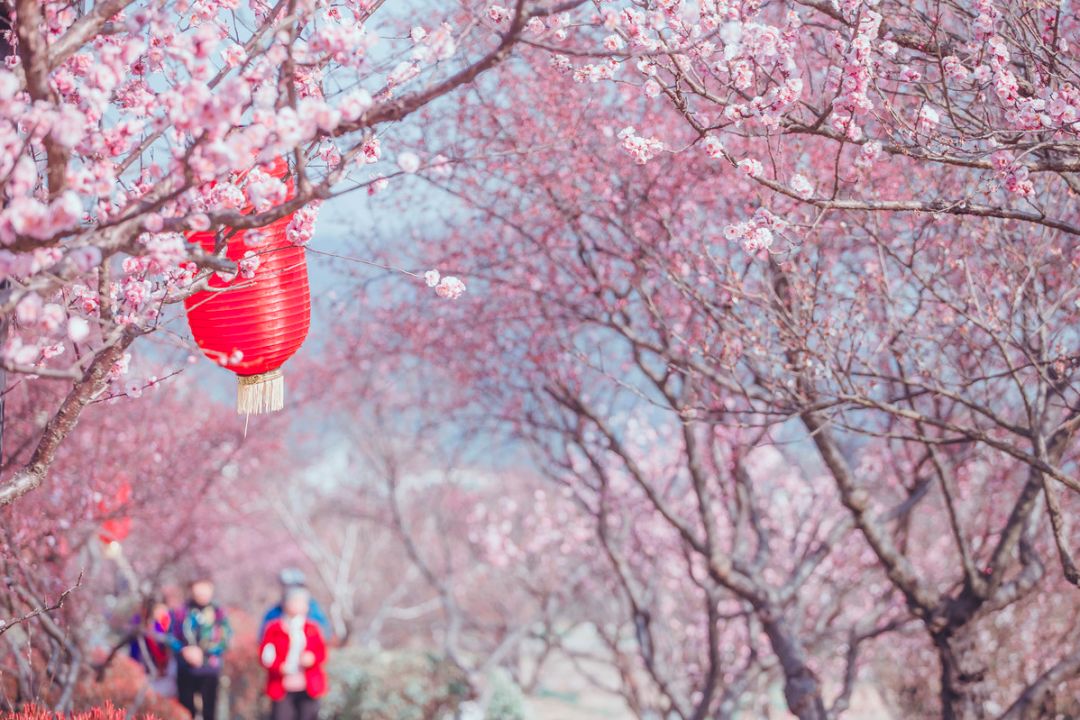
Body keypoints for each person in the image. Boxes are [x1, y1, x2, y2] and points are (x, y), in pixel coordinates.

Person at [259, 587, 327, 720]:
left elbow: (322, 653)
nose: (297, 605)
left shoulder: (312, 628)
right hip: (281, 687)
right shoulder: (274, 628)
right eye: (294, 601)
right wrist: (279, 666)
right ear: (285, 604)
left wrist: (312, 658)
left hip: (308, 687)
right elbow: (265, 656)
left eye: (301, 602)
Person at [168, 577, 232, 720]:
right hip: (186, 669)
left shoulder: (219, 613)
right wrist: (184, 651)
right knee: (185, 711)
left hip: (209, 670)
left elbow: (225, 639)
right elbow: (171, 636)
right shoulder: (181, 612)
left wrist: (203, 653)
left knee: (210, 711)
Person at [260, 568, 331, 638]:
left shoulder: (313, 609)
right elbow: (263, 637)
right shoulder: (274, 612)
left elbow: (324, 633)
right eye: (285, 586)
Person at [129, 596, 177, 698]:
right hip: (149, 671)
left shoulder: (172, 621)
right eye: (158, 609)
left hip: (169, 671)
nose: (162, 613)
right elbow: (135, 651)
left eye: (163, 609)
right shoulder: (144, 625)